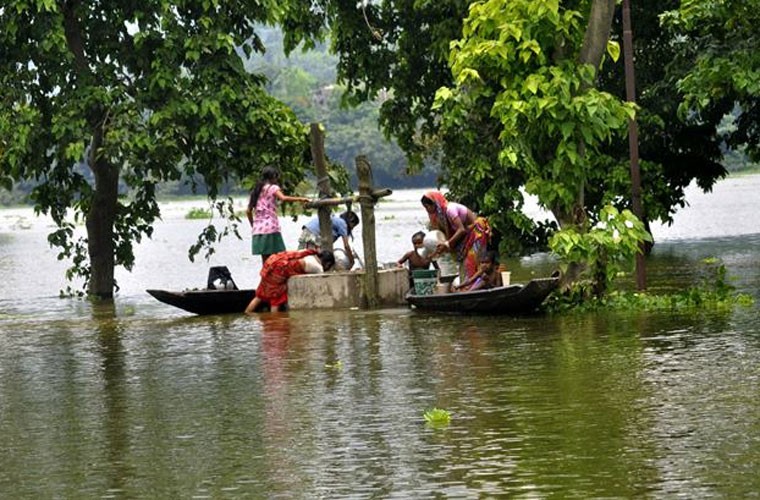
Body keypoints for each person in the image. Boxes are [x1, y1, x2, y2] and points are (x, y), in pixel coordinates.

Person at [421, 190, 491, 284]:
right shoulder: (437, 216)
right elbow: (442, 235)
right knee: (463, 265)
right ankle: (469, 285)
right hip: (465, 236)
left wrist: (447, 244)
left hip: (476, 232)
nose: (427, 209)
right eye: (425, 207)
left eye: (428, 206)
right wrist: (436, 251)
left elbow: (461, 229)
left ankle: (476, 285)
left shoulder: (450, 209)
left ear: (435, 203)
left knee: (471, 262)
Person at [247, 166, 311, 265]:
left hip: (258, 230)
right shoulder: (273, 188)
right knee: (279, 257)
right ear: (273, 177)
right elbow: (283, 198)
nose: (277, 180)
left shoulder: (256, 190)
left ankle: (267, 279)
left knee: (265, 262)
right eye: (276, 177)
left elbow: (248, 211)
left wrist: (253, 225)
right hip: (270, 228)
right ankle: (277, 278)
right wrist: (301, 199)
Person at [245, 249, 335, 314]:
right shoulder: (318, 268)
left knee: (260, 294)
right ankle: (273, 321)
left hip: (272, 264)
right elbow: (324, 278)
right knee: (276, 298)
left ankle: (248, 313)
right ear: (327, 264)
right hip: (279, 271)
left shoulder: (309, 254)